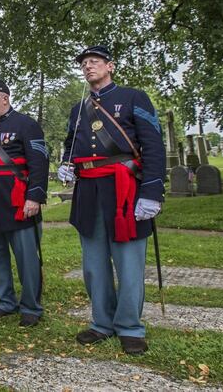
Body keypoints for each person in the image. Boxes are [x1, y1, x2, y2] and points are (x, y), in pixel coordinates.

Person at [58, 45, 165, 355]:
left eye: (95, 62)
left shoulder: (134, 98)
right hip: (89, 192)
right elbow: (70, 143)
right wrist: (66, 163)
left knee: (128, 263)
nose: (88, 67)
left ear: (110, 66)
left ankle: (130, 326)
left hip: (125, 189)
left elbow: (153, 147)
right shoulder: (78, 109)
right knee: (93, 264)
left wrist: (151, 192)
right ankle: (101, 323)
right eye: (84, 63)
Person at [0, 80, 48, 327]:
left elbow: (39, 163)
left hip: (17, 200)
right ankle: (5, 301)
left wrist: (34, 197)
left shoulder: (26, 124)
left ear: (5, 97)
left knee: (26, 258)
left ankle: (31, 307)